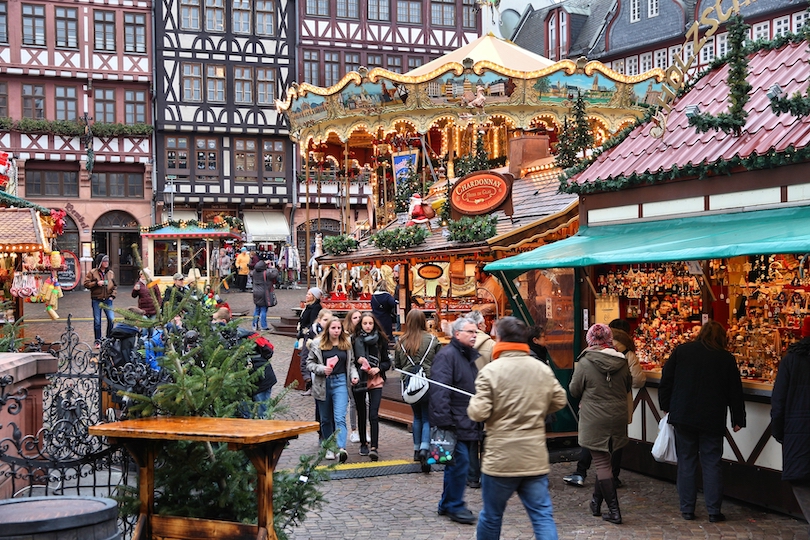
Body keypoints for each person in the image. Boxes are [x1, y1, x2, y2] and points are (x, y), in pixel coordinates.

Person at [468, 316, 567, 540]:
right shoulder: (540, 368)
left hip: (500, 459)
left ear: (500, 338)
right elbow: (559, 400)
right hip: (533, 457)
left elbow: (478, 412)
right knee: (542, 516)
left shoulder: (491, 371)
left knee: (492, 516)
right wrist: (539, 407)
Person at [659, 320, 745, 523]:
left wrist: (667, 405)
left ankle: (687, 509)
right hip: (712, 417)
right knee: (712, 463)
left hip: (684, 414)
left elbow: (666, 379)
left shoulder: (683, 351)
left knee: (686, 462)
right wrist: (738, 418)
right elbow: (735, 391)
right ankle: (714, 510)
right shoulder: (725, 358)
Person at [563, 319, 645, 489]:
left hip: (593, 411)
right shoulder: (624, 358)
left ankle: (582, 474)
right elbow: (632, 382)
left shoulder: (585, 359)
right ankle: (612, 480)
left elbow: (574, 389)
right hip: (618, 410)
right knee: (614, 446)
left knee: (592, 445)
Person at [568, 323, 631, 525]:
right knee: (606, 458)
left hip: (595, 417)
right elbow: (628, 385)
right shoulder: (622, 361)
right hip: (618, 415)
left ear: (590, 340)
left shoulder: (585, 362)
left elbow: (574, 390)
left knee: (602, 463)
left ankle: (614, 511)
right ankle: (595, 503)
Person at [430, 317, 481, 525]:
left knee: (456, 465)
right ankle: (454, 505)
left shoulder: (465, 356)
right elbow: (440, 390)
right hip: (454, 422)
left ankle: (447, 503)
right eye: (470, 331)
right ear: (457, 333)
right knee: (460, 465)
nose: (474, 335)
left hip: (465, 419)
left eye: (476, 332)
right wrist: (445, 422)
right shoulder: (448, 356)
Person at [771, 316, 810, 533]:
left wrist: (779, 431)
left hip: (798, 431)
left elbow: (779, 400)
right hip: (798, 429)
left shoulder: (791, 360)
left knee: (801, 482)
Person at [306, 316, 359, 463]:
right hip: (323, 383)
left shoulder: (346, 343)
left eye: (338, 328)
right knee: (325, 419)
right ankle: (329, 446)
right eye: (333, 328)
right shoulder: (317, 343)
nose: (336, 331)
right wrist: (322, 369)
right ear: (327, 329)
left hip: (341, 381)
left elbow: (352, 363)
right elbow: (309, 363)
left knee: (339, 416)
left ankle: (341, 448)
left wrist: (354, 376)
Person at [394, 309, 441, 469]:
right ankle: (424, 448)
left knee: (416, 417)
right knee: (427, 417)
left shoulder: (401, 341)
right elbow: (439, 361)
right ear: (423, 321)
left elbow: (398, 366)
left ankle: (415, 449)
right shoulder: (432, 340)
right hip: (428, 382)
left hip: (410, 383)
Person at [352, 312, 390, 460]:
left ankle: (374, 446)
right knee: (361, 413)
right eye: (365, 323)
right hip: (360, 380)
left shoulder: (380, 340)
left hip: (376, 379)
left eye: (370, 323)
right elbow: (350, 361)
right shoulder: (354, 340)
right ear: (360, 325)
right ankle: (363, 443)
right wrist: (358, 361)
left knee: (373, 414)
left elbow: (387, 361)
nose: (368, 326)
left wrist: (378, 368)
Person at [467, 309, 495, 490]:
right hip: (487, 397)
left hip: (467, 397)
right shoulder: (492, 345)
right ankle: (486, 475)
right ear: (479, 325)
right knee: (488, 438)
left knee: (470, 439)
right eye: (484, 323)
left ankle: (472, 476)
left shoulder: (461, 344)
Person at [84, 253, 117, 348]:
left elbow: (115, 286)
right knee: (97, 321)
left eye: (107, 261)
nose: (106, 263)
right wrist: (96, 283)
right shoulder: (92, 272)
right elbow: (86, 284)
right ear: (100, 262)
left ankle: (109, 339)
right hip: (97, 300)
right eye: (104, 261)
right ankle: (97, 341)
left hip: (107, 300)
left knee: (111, 319)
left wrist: (112, 296)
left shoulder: (110, 273)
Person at [297, 287, 323, 395]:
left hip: (309, 337)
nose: (306, 296)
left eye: (309, 294)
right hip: (304, 335)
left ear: (314, 296)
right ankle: (309, 384)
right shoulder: (308, 307)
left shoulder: (315, 308)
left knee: (306, 359)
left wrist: (305, 332)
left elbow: (312, 323)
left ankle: (311, 384)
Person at [343, 308, 363, 443]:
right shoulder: (346, 337)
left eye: (360, 317)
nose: (359, 320)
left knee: (364, 402)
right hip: (351, 371)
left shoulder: (364, 335)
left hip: (363, 372)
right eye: (355, 318)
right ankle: (354, 430)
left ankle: (363, 430)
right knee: (354, 402)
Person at [251, 260, 277, 331]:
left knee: (257, 309)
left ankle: (254, 325)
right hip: (264, 293)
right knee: (263, 310)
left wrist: (263, 263)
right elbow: (274, 275)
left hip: (256, 292)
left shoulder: (254, 272)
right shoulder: (266, 273)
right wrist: (273, 268)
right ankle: (264, 326)